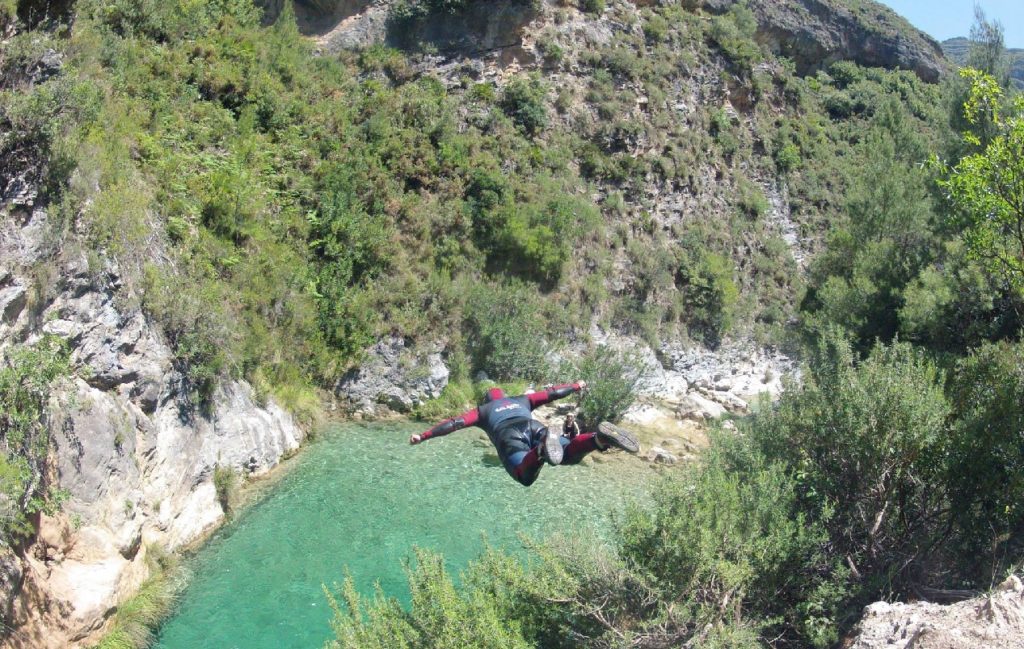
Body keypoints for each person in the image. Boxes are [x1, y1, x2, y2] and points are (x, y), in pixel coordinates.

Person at [409, 382, 639, 487]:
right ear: (504, 396)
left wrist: (424, 435)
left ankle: (539, 452)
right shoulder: (522, 399)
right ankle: (597, 439)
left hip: (509, 435)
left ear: (488, 400)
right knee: (567, 453)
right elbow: (552, 394)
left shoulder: (482, 411)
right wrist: (576, 385)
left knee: (524, 476)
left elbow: (454, 423)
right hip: (534, 426)